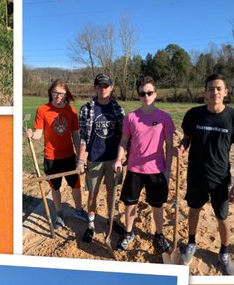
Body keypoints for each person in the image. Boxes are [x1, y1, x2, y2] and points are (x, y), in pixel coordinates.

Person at [176, 73, 234, 275]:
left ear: (225, 92)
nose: (215, 92)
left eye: (218, 88)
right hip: (196, 176)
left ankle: (224, 252)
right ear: (205, 92)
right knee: (194, 211)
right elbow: (187, 138)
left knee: (222, 218)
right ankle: (191, 242)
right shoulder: (193, 115)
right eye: (211, 88)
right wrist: (182, 147)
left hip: (220, 179)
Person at [114, 78, 175, 255]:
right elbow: (124, 141)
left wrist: (168, 169)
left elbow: (169, 145)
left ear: (155, 94)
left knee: (157, 205)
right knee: (129, 204)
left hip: (157, 170)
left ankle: (159, 234)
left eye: (149, 92)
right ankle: (128, 232)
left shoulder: (164, 117)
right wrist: (119, 159)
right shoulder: (131, 117)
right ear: (138, 95)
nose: (146, 96)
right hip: (134, 169)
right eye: (142, 93)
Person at [26, 80, 82, 227]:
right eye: (55, 92)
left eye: (62, 93)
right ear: (51, 92)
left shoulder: (71, 111)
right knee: (55, 187)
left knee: (76, 184)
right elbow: (39, 134)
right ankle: (59, 213)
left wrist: (79, 157)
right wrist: (31, 135)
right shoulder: (42, 110)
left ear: (66, 94)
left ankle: (78, 209)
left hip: (69, 156)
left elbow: (76, 135)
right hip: (51, 157)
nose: (58, 96)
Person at [76, 74, 124, 243]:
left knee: (112, 192)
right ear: (95, 88)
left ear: (111, 87)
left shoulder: (118, 109)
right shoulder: (87, 109)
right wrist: (81, 160)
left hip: (113, 159)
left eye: (106, 86)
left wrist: (123, 157)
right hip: (95, 158)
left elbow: (124, 136)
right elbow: (83, 137)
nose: (103, 89)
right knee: (92, 194)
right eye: (100, 86)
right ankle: (91, 225)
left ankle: (111, 220)